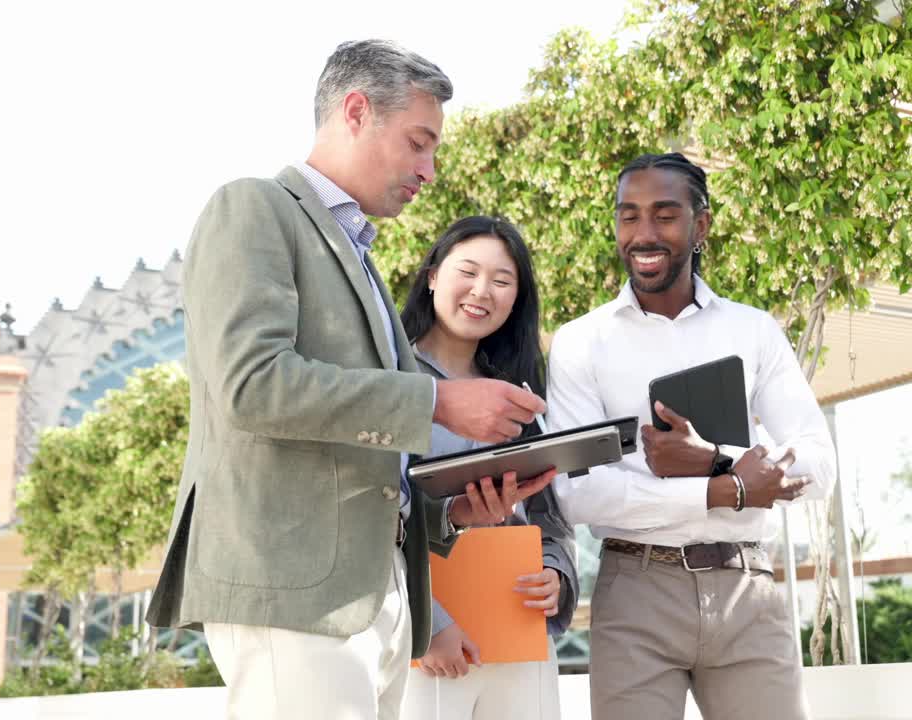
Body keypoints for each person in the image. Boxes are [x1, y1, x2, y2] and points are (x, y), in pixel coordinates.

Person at [144, 40, 554, 720]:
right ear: (357, 111)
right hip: (295, 592)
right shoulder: (253, 208)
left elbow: (362, 465)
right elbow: (254, 384)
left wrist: (454, 512)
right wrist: (439, 401)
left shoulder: (357, 253)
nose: (429, 170)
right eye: (418, 143)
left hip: (373, 598)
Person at [546, 152, 837, 720]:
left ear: (700, 224)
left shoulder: (752, 330)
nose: (644, 234)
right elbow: (576, 492)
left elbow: (820, 463)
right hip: (635, 590)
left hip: (747, 590)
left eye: (664, 214)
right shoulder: (582, 343)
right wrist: (724, 488)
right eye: (628, 216)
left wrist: (716, 459)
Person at [398, 216, 577, 720]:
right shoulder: (391, 382)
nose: (482, 292)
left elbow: (548, 512)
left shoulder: (517, 394)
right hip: (428, 640)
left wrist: (555, 573)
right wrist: (426, 624)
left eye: (502, 281)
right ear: (433, 275)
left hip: (517, 626)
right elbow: (375, 506)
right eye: (468, 272)